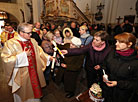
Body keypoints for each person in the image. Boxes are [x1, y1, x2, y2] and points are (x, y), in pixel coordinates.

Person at [1, 23, 53, 102]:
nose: (31, 34)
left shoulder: (32, 41)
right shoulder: (11, 43)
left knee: (35, 95)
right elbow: (5, 59)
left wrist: (49, 57)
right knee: (22, 95)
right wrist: (23, 56)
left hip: (33, 73)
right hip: (21, 75)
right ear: (21, 33)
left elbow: (39, 52)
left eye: (31, 32)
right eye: (28, 33)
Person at [102, 32, 138, 102]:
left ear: (129, 44)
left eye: (120, 42)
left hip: (122, 95)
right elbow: (104, 65)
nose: (116, 44)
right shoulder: (112, 52)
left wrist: (118, 83)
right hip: (107, 90)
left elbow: (135, 83)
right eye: (116, 41)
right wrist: (104, 74)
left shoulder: (135, 62)